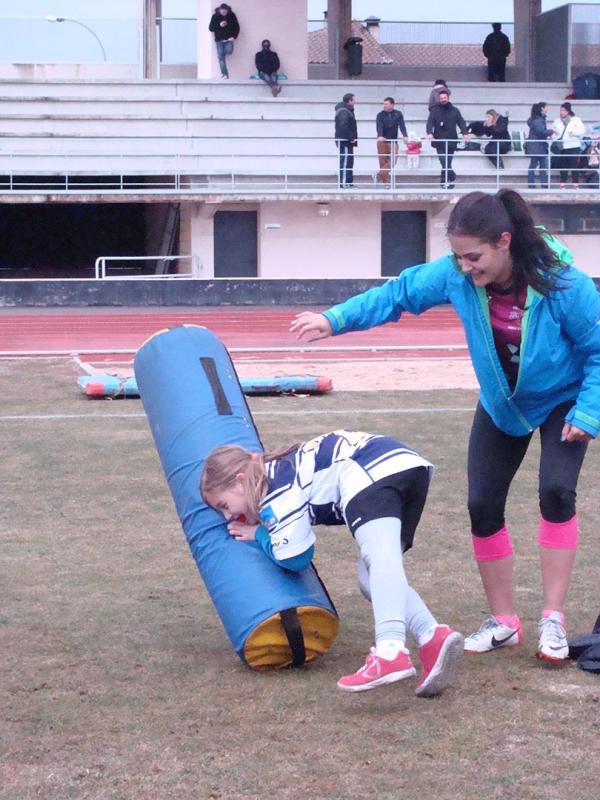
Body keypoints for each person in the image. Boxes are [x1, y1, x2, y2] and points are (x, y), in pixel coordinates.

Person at [290, 189, 600, 666]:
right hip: (504, 402)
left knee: (556, 492)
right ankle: (504, 622)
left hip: (564, 398)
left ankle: (553, 619)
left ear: (504, 242)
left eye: (473, 256)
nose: (464, 266)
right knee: (482, 504)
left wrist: (587, 413)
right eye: (457, 256)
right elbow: (400, 294)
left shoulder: (563, 284)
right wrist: (335, 319)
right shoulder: (457, 276)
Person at [201, 432, 464, 695]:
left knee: (381, 559)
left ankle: (390, 651)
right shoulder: (278, 469)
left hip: (371, 470)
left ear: (239, 481)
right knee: (370, 577)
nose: (228, 516)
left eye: (224, 505)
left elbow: (295, 558)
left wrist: (258, 534)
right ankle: (432, 635)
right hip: (407, 468)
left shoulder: (275, 487)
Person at [426, 90, 470, 188]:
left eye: (444, 98)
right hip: (439, 140)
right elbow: (430, 122)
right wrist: (429, 133)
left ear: (448, 98)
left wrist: (465, 133)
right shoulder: (434, 110)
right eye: (441, 98)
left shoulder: (455, 110)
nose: (443, 100)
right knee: (443, 160)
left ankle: (445, 180)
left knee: (447, 161)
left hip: (451, 140)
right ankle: (451, 175)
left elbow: (461, 122)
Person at [551, 102, 586, 188]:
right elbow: (553, 132)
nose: (561, 112)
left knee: (574, 166)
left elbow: (582, 131)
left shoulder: (576, 120)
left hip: (573, 146)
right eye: (560, 110)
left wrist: (573, 133)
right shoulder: (557, 121)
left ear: (568, 111)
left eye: (563, 110)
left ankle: (575, 184)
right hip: (562, 147)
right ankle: (562, 184)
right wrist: (554, 137)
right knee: (563, 166)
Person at [375, 97, 408, 186]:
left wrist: (405, 136)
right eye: (384, 104)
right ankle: (386, 183)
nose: (384, 106)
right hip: (383, 141)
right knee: (383, 161)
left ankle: (379, 175)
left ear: (392, 104)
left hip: (393, 141)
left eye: (386, 104)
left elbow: (402, 125)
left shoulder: (398, 114)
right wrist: (380, 135)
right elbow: (379, 126)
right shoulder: (380, 115)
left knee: (393, 160)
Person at [208, 3, 240, 79]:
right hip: (219, 40)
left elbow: (237, 27)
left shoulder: (232, 16)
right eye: (223, 11)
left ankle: (224, 54)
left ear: (228, 10)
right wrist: (220, 25)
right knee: (221, 58)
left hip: (229, 39)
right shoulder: (215, 16)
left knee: (229, 51)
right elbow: (211, 28)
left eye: (226, 11)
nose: (224, 12)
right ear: (220, 10)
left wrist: (234, 37)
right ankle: (224, 74)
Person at [525, 102, 551, 188]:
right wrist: (552, 131)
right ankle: (542, 185)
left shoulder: (535, 119)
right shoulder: (538, 120)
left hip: (536, 146)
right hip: (538, 146)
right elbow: (541, 132)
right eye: (546, 107)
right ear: (542, 109)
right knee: (540, 166)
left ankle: (536, 185)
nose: (548, 108)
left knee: (535, 165)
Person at [334, 93, 358, 188]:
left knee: (349, 161)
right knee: (345, 161)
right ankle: (344, 183)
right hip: (345, 141)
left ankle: (348, 182)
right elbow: (343, 126)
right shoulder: (344, 111)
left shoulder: (346, 110)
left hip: (347, 140)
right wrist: (351, 137)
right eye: (354, 99)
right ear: (350, 100)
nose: (355, 101)